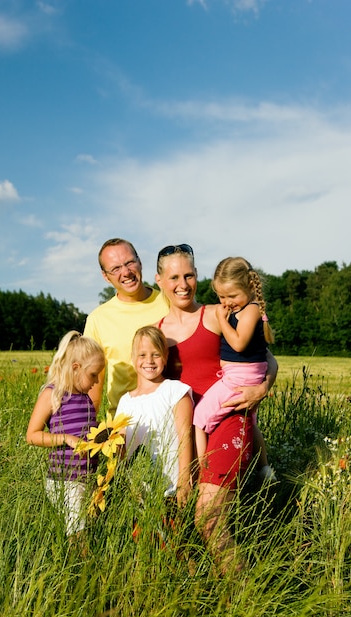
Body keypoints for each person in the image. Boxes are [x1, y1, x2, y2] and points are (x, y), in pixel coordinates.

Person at [155, 244, 278, 573]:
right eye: (174, 277)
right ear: (159, 281)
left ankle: (245, 597)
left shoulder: (217, 313)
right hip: (187, 433)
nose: (183, 284)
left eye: (189, 275)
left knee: (208, 520)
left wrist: (262, 389)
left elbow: (267, 359)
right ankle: (211, 589)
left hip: (227, 419)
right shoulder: (158, 331)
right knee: (183, 524)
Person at [193, 256, 276, 482]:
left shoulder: (250, 310)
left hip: (240, 377)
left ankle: (201, 469)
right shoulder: (244, 308)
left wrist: (222, 321)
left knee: (199, 418)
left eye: (232, 296)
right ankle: (264, 468)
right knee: (251, 420)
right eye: (221, 296)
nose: (226, 301)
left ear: (250, 287)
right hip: (244, 374)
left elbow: (238, 343)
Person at [26, 331, 105, 537]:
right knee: (78, 532)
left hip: (87, 478)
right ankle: (82, 566)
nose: (97, 382)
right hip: (64, 479)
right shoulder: (53, 394)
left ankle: (80, 564)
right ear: (76, 368)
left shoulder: (85, 398)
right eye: (93, 375)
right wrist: (65, 439)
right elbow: (32, 435)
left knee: (86, 526)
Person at [84, 238, 169, 419]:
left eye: (130, 262)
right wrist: (88, 431)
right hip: (123, 425)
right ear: (105, 276)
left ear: (140, 262)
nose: (126, 272)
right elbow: (92, 383)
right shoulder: (97, 319)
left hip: (171, 417)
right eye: (115, 268)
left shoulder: (170, 302)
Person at [116, 325, 194, 508]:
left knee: (172, 534)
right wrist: (123, 482)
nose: (149, 360)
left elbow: (185, 437)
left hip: (171, 488)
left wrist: (184, 481)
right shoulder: (125, 401)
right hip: (136, 491)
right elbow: (120, 448)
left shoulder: (175, 391)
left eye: (156, 354)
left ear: (166, 357)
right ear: (133, 358)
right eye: (142, 355)